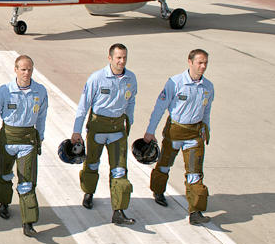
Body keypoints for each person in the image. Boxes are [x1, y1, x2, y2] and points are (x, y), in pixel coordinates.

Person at [144, 49, 215, 225]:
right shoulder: (175, 83)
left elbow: (206, 110)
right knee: (165, 165)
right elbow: (159, 108)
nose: (203, 66)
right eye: (199, 62)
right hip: (174, 131)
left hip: (194, 134)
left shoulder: (208, 87)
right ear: (189, 62)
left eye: (205, 62)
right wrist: (150, 131)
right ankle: (158, 190)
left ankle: (196, 211)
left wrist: (207, 129)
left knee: (194, 173)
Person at [0, 54, 48, 237]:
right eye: (23, 69)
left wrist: (40, 138)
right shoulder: (3, 91)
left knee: (27, 182)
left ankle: (28, 221)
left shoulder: (40, 91)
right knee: (5, 174)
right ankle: (4, 202)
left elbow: (41, 116)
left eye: (30, 69)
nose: (26, 73)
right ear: (15, 70)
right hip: (7, 139)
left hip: (28, 141)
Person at [71, 43, 137, 225]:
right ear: (110, 58)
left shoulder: (131, 78)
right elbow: (83, 106)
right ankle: (89, 192)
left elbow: (131, 102)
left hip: (117, 130)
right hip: (97, 128)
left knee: (119, 170)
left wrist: (129, 123)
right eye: (118, 58)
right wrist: (77, 131)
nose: (121, 61)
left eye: (124, 57)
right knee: (92, 165)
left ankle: (118, 210)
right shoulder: (97, 78)